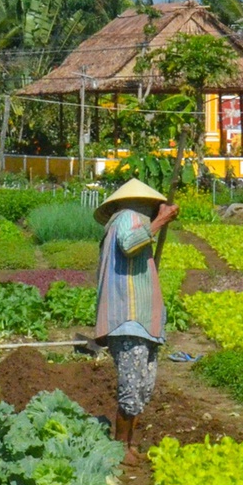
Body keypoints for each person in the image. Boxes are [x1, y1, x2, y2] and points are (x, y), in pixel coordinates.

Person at [91, 178, 178, 462]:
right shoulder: (128, 218)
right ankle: (120, 446)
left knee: (143, 385)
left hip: (143, 319)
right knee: (131, 384)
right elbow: (129, 245)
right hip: (128, 316)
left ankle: (129, 444)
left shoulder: (136, 220)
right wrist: (160, 221)